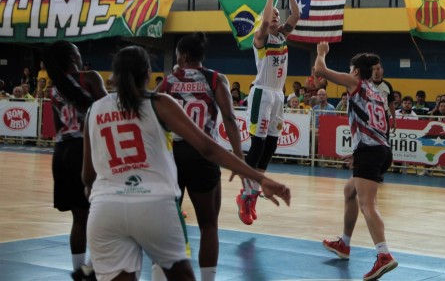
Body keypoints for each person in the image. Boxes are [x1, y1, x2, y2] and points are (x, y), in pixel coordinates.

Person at [82, 46, 291, 281]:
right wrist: (258, 177)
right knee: (193, 251)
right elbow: (207, 147)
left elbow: (88, 177)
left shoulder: (94, 110)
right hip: (153, 205)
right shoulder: (158, 103)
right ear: (148, 73)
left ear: (114, 75)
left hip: (106, 209)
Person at [156, 33, 244, 281]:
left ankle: (160, 275)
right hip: (203, 153)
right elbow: (229, 118)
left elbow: (150, 113)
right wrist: (238, 157)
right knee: (208, 226)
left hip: (172, 155)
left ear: (182, 56)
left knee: (166, 223)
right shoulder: (216, 79)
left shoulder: (169, 81)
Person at [314, 42, 398, 281]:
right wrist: (361, 150)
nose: (349, 72)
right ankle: (344, 243)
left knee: (367, 204)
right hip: (379, 149)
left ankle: (384, 255)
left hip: (371, 151)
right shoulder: (378, 93)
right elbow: (377, 125)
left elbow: (320, 71)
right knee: (350, 190)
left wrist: (321, 53)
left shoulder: (356, 84)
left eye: (351, 69)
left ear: (355, 71)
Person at [236, 0, 300, 225]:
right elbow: (263, 22)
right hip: (262, 93)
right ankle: (245, 194)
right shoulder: (260, 37)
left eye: (276, 14)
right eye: (271, 14)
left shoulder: (283, 35)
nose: (275, 16)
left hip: (278, 94)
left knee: (272, 146)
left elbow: (295, 14)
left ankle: (252, 192)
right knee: (258, 145)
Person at [42, 41, 107, 281]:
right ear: (71, 56)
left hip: (61, 152)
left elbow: (58, 126)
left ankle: (78, 269)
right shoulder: (89, 78)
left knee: (79, 219)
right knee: (101, 212)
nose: (81, 57)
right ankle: (91, 268)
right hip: (84, 150)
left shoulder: (54, 88)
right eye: (78, 53)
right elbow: (109, 109)